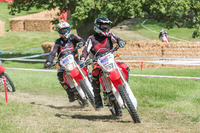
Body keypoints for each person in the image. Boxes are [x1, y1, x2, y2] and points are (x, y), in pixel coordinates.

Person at [80, 17, 130, 116]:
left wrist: (120, 42)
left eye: (107, 26)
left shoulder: (110, 35)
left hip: (110, 60)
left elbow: (117, 38)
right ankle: (97, 99)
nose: (106, 28)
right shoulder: (91, 38)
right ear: (98, 26)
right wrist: (82, 59)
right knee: (95, 75)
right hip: (98, 62)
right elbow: (86, 49)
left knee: (125, 67)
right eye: (103, 26)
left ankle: (125, 85)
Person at [45, 21, 85, 102]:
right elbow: (52, 53)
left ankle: (90, 82)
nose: (64, 32)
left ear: (69, 29)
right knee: (60, 76)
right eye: (62, 31)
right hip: (64, 64)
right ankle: (69, 93)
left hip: (75, 61)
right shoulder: (57, 42)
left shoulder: (73, 37)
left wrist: (81, 43)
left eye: (66, 30)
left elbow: (82, 40)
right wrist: (48, 62)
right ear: (59, 32)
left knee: (85, 67)